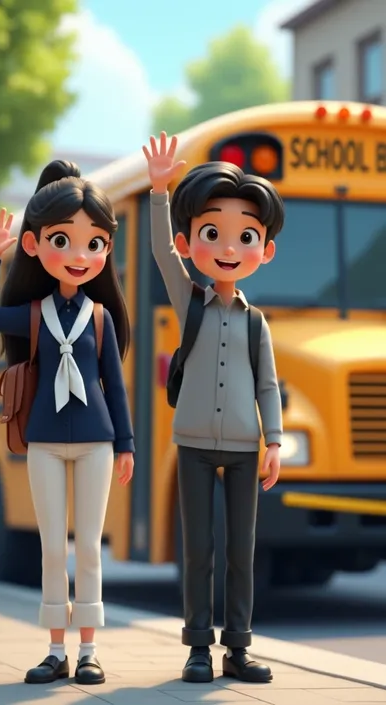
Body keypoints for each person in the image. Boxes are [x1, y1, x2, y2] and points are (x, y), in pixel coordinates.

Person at [0, 160, 134, 687]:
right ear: (37, 246)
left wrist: (127, 444)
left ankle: (89, 650)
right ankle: (54, 649)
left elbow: (115, 384)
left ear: (107, 248)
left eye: (93, 244)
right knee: (51, 545)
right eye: (62, 241)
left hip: (97, 443)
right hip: (43, 440)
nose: (79, 256)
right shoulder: (35, 312)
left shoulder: (103, 318)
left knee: (88, 545)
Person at [142, 133, 284, 684]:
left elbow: (268, 386)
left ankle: (239, 648)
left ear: (264, 248)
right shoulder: (190, 300)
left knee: (241, 554)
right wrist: (159, 191)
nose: (229, 247)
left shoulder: (256, 323)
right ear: (191, 239)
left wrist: (273, 441)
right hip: (193, 443)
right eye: (212, 233)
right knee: (198, 550)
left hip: (245, 447)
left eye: (245, 235)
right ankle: (198, 647)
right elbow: (159, 252)